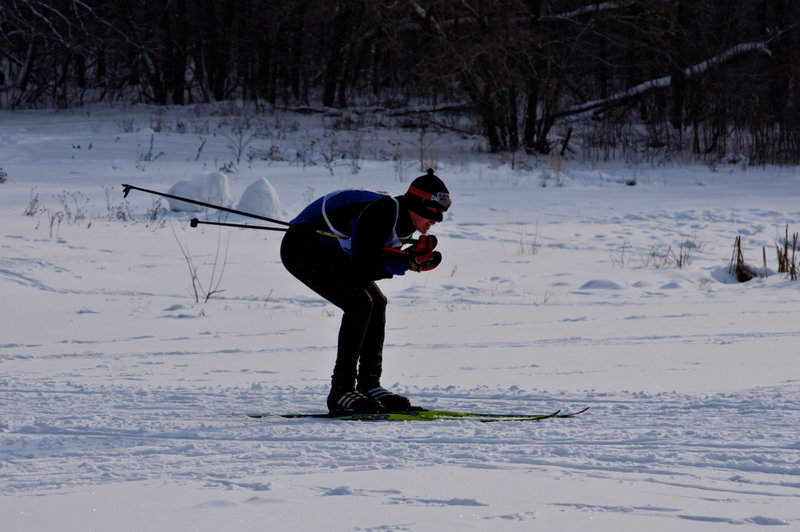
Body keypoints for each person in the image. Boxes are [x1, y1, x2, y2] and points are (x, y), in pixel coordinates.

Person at [280, 169, 451, 414]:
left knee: (377, 302)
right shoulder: (384, 211)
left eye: (441, 215)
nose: (435, 221)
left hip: (332, 252)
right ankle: (341, 392)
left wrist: (411, 261)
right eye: (433, 214)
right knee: (359, 303)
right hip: (302, 248)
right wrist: (407, 261)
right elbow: (364, 264)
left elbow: (371, 261)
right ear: (415, 205)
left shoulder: (402, 219)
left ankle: (369, 385)